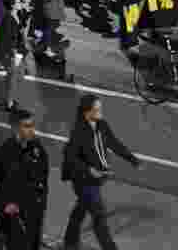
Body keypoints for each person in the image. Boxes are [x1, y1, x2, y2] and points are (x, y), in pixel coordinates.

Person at [61, 95, 142, 250]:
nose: (100, 112)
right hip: (83, 180)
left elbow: (114, 143)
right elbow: (70, 157)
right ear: (87, 112)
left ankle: (70, 240)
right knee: (98, 215)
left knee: (81, 208)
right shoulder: (78, 131)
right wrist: (89, 170)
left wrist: (132, 160)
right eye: (97, 109)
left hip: (97, 177)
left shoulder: (102, 125)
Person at [0, 108, 49, 250]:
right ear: (16, 128)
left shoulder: (38, 150)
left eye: (32, 125)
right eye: (27, 126)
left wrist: (40, 209)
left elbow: (43, 182)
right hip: (12, 220)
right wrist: (3, 204)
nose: (32, 130)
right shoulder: (4, 152)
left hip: (33, 218)